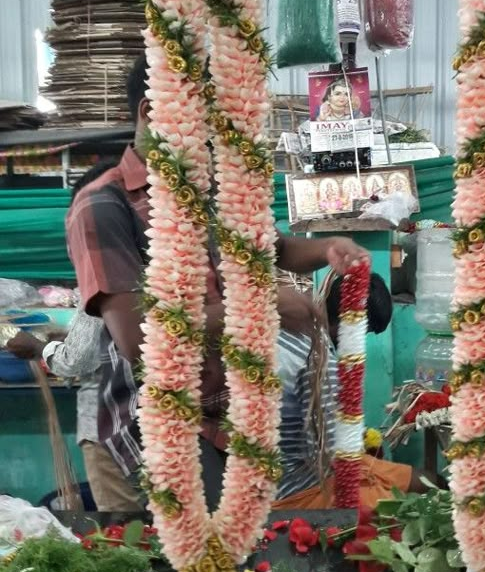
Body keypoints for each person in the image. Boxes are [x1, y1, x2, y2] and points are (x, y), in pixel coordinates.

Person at [65, 54, 370, 511]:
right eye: (209, 123)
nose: (218, 140)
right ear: (153, 112)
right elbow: (139, 336)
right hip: (148, 427)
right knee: (172, 568)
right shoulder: (102, 205)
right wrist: (263, 307)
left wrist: (329, 248)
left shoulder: (207, 192)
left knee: (237, 556)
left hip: (223, 417)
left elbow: (275, 247)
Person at [6, 162, 140, 512]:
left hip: (110, 425)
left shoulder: (107, 268)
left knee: (128, 531)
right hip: (153, 422)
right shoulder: (153, 260)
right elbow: (111, 336)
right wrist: (66, 333)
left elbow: (78, 360)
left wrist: (38, 348)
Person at [273, 272, 426, 510]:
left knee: (409, 478)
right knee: (396, 507)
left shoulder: (294, 333)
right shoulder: (318, 358)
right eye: (363, 333)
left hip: (293, 471)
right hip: (298, 488)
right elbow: (331, 456)